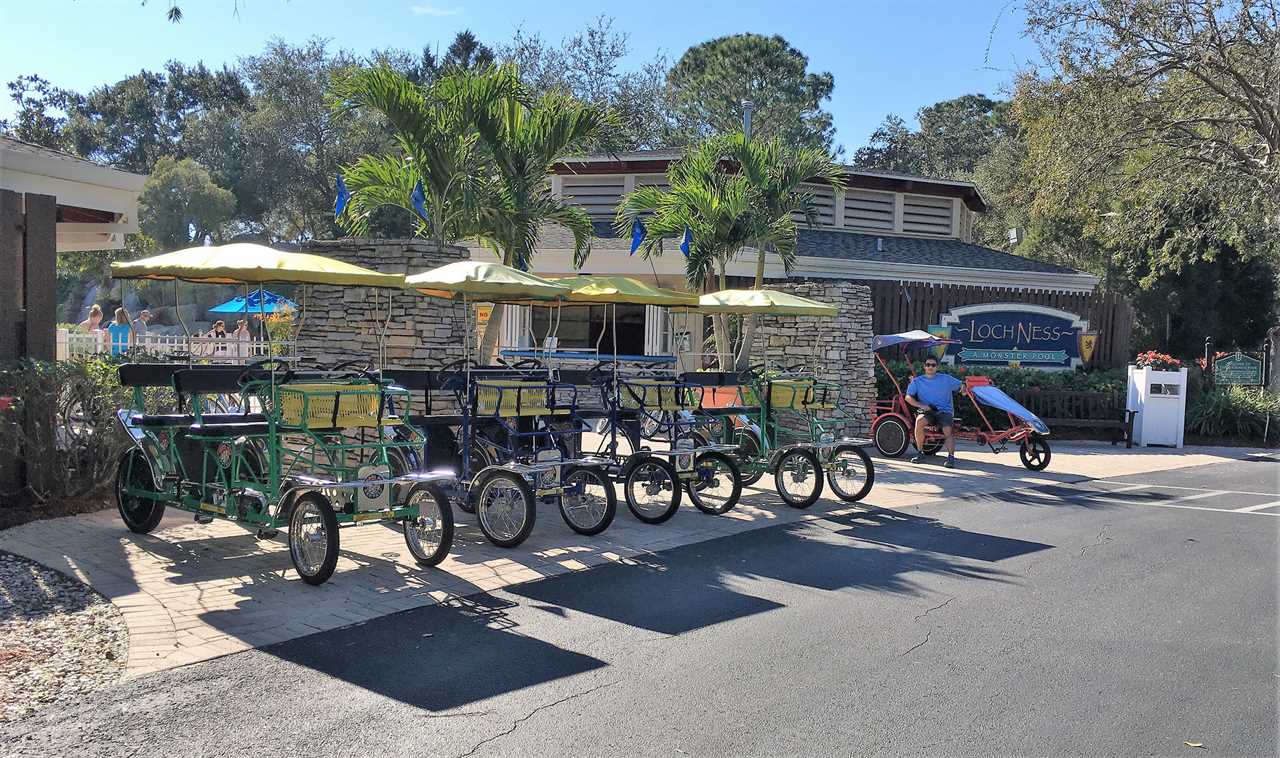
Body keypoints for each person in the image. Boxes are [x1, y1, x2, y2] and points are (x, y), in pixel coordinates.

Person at [905, 357, 964, 468]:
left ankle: (951, 457)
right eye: (928, 364)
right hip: (928, 411)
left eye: (933, 365)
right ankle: (920, 453)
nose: (930, 367)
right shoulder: (918, 381)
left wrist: (964, 389)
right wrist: (922, 406)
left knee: (948, 430)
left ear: (937, 367)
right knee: (919, 421)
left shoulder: (946, 379)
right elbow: (908, 397)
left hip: (944, 411)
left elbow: (961, 385)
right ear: (924, 366)